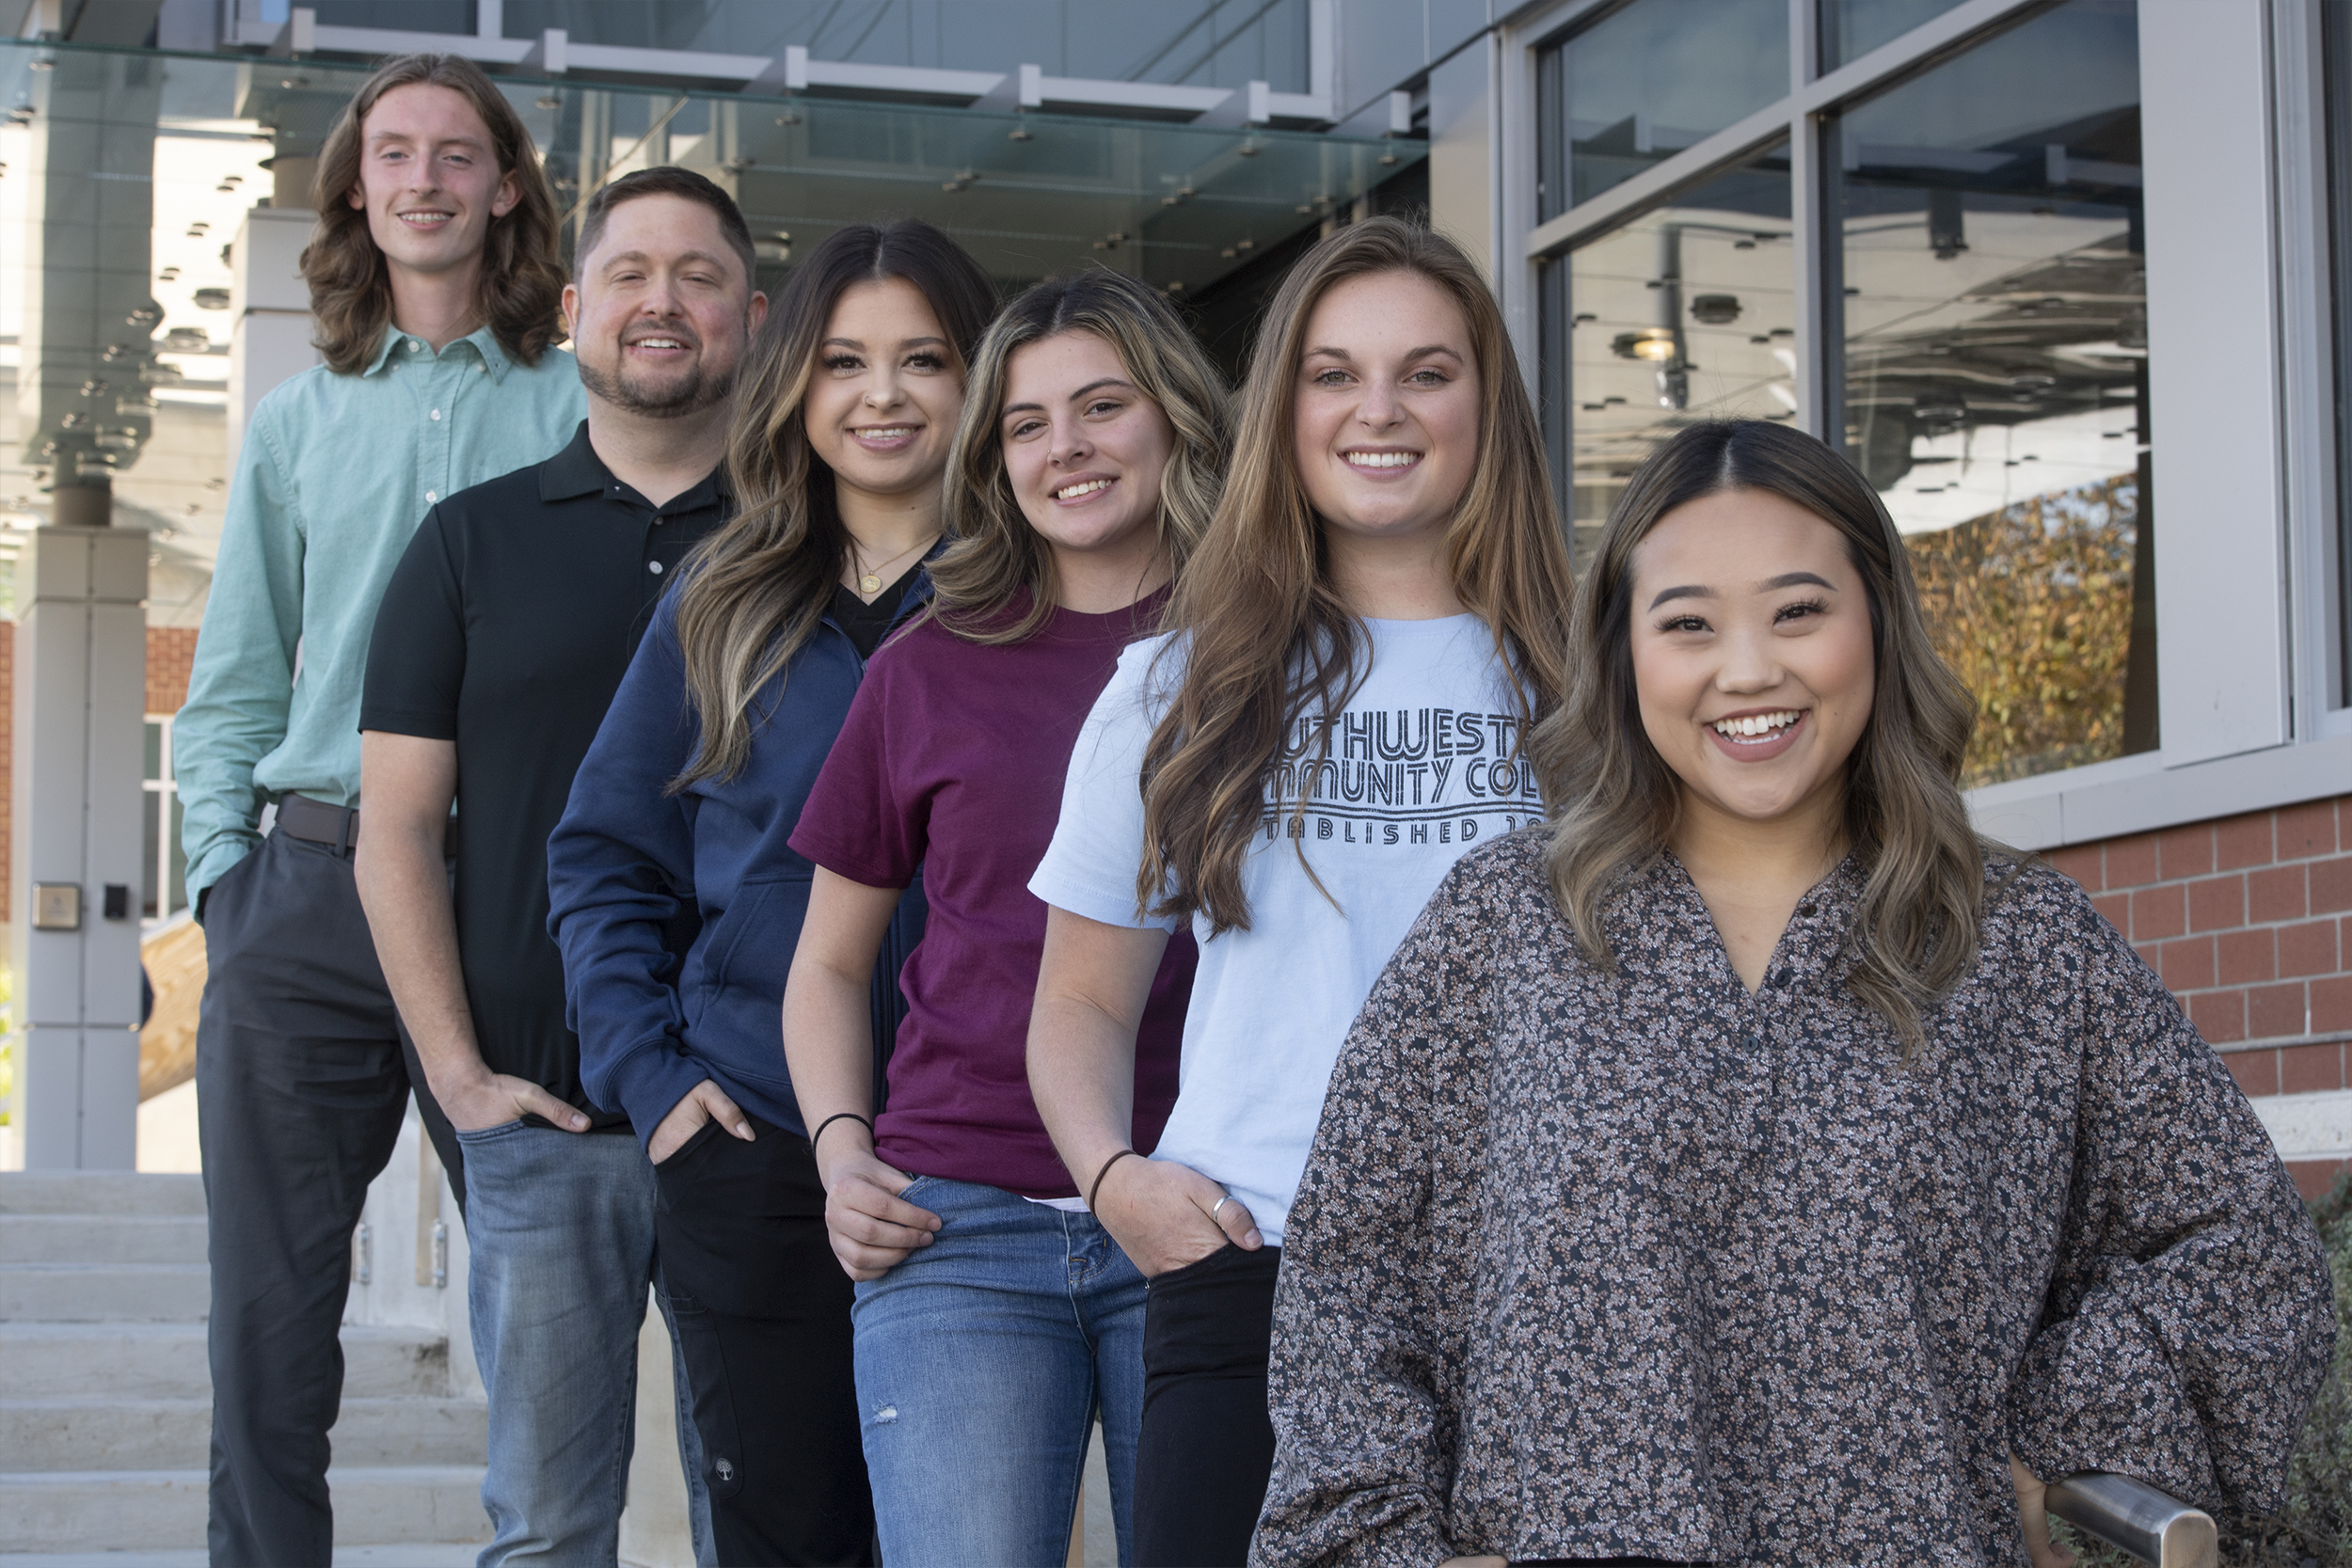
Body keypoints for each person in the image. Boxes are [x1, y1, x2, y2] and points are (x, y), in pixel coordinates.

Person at [1251, 418, 2340, 1568]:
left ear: (1875, 618)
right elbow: (1347, 1276)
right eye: (1687, 624)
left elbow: (2246, 1253)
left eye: (1797, 610)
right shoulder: (1505, 924)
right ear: (1624, 652)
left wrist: (2056, 1437)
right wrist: (1382, 1546)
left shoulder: (2017, 940)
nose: (1747, 667)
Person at [1025, 216, 1578, 1567]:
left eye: (1425, 372)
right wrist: (1115, 1180)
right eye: (1335, 374)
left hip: (1547, 1287)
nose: (1377, 411)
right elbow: (1080, 1006)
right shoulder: (1180, 688)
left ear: (1486, 402)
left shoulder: (1598, 686)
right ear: (1285, 410)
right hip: (1251, 1268)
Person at [171, 53, 585, 1567]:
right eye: (395, 152)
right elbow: (230, 680)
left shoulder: (575, 402)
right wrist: (232, 885)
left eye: (457, 154)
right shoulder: (297, 420)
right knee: (269, 1326)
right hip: (310, 896)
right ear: (357, 184)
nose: (424, 178)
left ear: (505, 189)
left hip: (513, 902)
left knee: (560, 1297)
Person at [545, 218, 996, 1567]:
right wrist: (653, 1077)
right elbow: (605, 852)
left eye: (925, 358)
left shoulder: (1033, 601)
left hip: (979, 1150)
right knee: (781, 1531)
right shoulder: (721, 596)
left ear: (980, 382)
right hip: (757, 1141)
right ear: (796, 380)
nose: (883, 394)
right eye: (846, 360)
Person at [780, 269, 1227, 1568]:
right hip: (954, 1225)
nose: (1066, 446)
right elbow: (827, 961)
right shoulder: (922, 668)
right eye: (1028, 423)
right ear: (993, 458)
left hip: (1209, 1213)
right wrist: (841, 1149)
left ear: (1176, 421)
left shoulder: (1271, 651)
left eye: (1103, 406)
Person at [353, 166, 764, 1568]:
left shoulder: (803, 550)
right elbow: (394, 828)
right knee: (545, 1523)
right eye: (632, 274)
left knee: (769, 1517)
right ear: (578, 310)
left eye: (698, 274)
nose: (664, 301)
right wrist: (458, 1077)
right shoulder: (467, 542)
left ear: (751, 318)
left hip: (763, 1110)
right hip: (543, 1120)